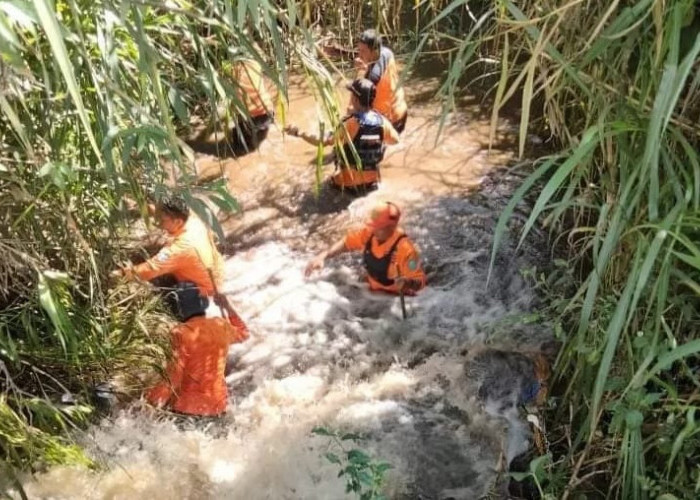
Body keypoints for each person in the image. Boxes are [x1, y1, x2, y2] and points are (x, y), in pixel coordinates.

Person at [112, 193, 248, 416]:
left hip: (189, 412)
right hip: (219, 407)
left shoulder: (181, 331)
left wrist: (147, 406)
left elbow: (148, 270)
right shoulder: (193, 221)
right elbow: (243, 332)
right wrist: (228, 306)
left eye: (163, 220)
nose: (159, 224)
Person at [285, 78, 399, 190]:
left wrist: (299, 133)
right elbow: (395, 140)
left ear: (355, 100)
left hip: (347, 184)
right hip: (372, 183)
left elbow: (323, 141)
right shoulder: (383, 122)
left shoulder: (350, 123)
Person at [305, 201, 426, 295]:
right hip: (370, 294)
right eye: (373, 225)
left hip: (394, 299)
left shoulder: (405, 249)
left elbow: (420, 282)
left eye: (378, 227)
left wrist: (407, 283)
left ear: (391, 227)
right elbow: (346, 243)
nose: (373, 229)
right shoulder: (368, 234)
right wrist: (323, 256)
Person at [350, 29, 408, 134]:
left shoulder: (373, 76)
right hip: (400, 109)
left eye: (363, 51)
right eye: (359, 50)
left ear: (374, 50)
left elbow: (356, 99)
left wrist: (361, 71)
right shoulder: (387, 52)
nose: (359, 54)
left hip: (390, 119)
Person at [230, 57, 275, 154]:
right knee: (255, 147)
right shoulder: (256, 64)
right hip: (267, 110)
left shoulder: (232, 69)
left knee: (240, 148)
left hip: (250, 116)